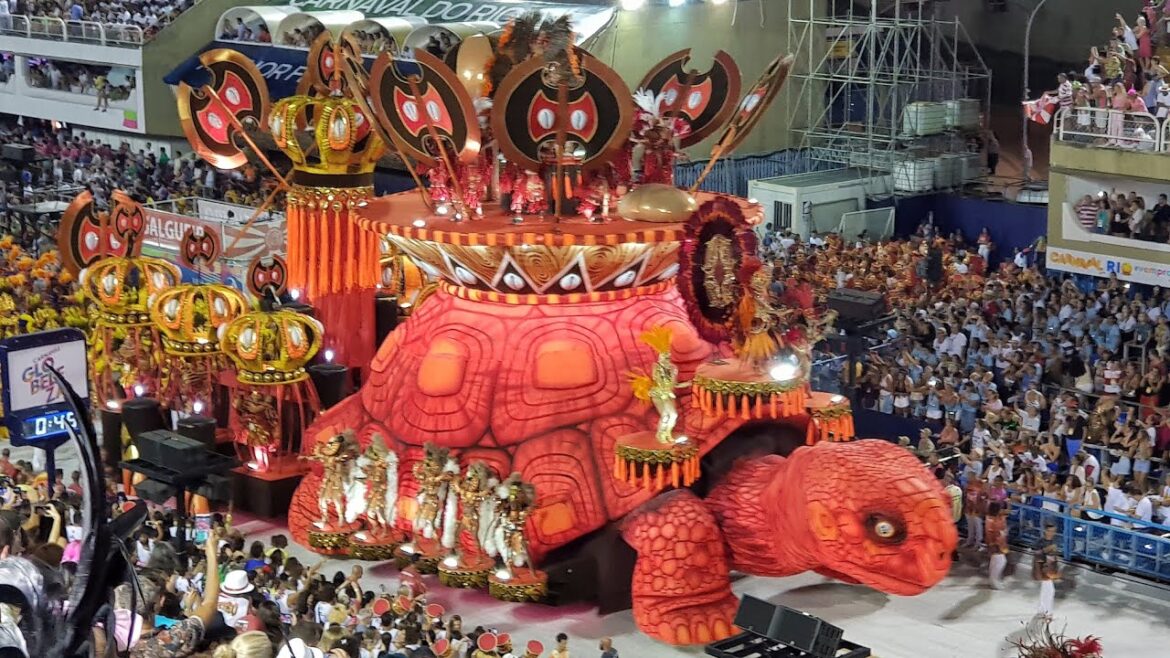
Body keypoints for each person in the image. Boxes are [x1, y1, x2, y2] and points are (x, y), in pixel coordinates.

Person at [129, 527, 222, 658]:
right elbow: (210, 603)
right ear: (160, 601)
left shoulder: (108, 638)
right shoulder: (167, 642)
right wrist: (211, 553)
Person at [1033, 525, 1060, 620]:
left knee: (1045, 591)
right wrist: (1047, 549)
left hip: (1050, 569)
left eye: (1053, 531)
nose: (1052, 533)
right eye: (1050, 531)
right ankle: (1047, 612)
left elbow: (1054, 556)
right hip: (1043, 568)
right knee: (1049, 591)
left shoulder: (1053, 541)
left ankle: (1041, 610)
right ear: (1045, 531)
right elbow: (1037, 553)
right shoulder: (1041, 541)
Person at [985, 501, 1009, 589]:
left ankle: (993, 580)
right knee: (1001, 562)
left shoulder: (993, 518)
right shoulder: (992, 521)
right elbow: (994, 534)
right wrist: (997, 543)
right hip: (996, 544)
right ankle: (994, 580)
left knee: (994, 561)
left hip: (996, 543)